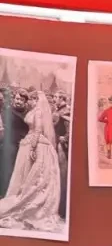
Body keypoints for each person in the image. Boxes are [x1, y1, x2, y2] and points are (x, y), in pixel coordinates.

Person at [0, 91, 64, 233]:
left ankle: (31, 204)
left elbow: (38, 129)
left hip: (35, 143)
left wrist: (33, 148)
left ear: (36, 100)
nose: (31, 101)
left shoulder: (39, 111)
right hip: (27, 143)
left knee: (34, 176)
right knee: (25, 175)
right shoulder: (33, 110)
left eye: (33, 99)